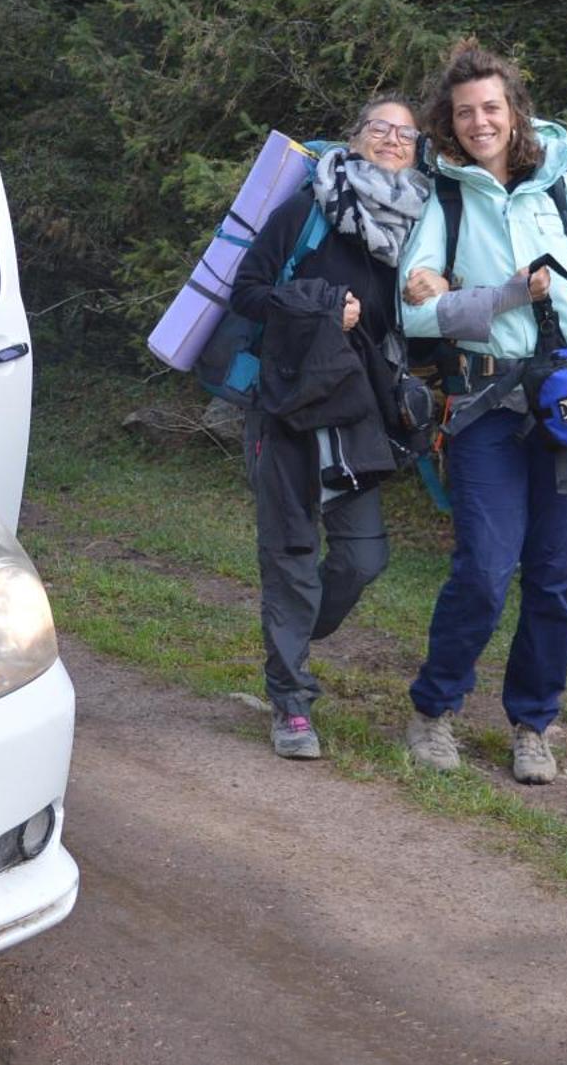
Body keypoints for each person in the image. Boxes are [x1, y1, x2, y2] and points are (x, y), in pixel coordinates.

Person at [395, 40, 567, 784]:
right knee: (485, 568)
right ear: (450, 120)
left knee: (558, 575)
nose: (480, 122)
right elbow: (417, 311)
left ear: (514, 111)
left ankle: (533, 724)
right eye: (465, 112)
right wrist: (502, 293)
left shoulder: (561, 185)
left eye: (492, 108)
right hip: (486, 407)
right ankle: (434, 710)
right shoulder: (442, 195)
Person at [231, 96, 430, 760]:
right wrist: (320, 304)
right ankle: (290, 702)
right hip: (286, 403)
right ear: (357, 137)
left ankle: (291, 632)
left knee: (362, 558)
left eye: (405, 132)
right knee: (289, 555)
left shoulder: (420, 230)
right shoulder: (310, 208)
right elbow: (248, 290)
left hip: (356, 413)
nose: (393, 139)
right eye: (381, 128)